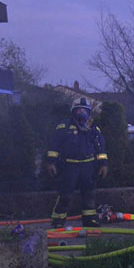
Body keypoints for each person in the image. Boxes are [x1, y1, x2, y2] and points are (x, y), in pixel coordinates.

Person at [47, 97, 108, 228]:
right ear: (73, 111)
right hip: (69, 166)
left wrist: (103, 165)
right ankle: (58, 221)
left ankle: (89, 220)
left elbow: (100, 148)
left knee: (89, 195)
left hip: (88, 167)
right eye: (79, 110)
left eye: (85, 110)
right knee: (65, 196)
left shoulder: (93, 130)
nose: (82, 113)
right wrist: (51, 162)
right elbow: (54, 145)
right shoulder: (64, 126)